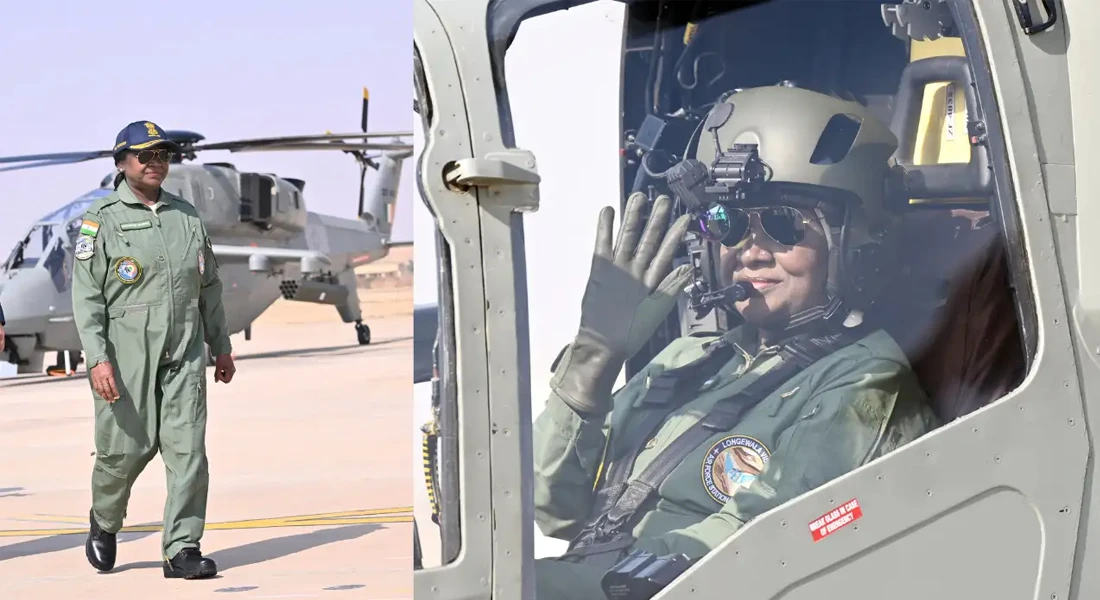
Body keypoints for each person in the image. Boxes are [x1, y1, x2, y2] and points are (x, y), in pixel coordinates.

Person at [530, 85, 941, 599]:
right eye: (728, 225)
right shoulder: (690, 359)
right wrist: (590, 364)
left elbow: (754, 551)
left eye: (782, 224)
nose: (750, 252)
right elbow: (552, 508)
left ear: (852, 245)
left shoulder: (867, 384)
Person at [71, 120, 236, 580]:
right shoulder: (101, 220)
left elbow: (209, 286)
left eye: (162, 155)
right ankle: (105, 519)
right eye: (145, 155)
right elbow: (87, 298)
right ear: (122, 163)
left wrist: (221, 346)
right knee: (123, 451)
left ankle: (182, 548)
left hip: (184, 353)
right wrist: (97, 359)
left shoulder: (186, 216)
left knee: (188, 452)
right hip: (126, 357)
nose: (155, 163)